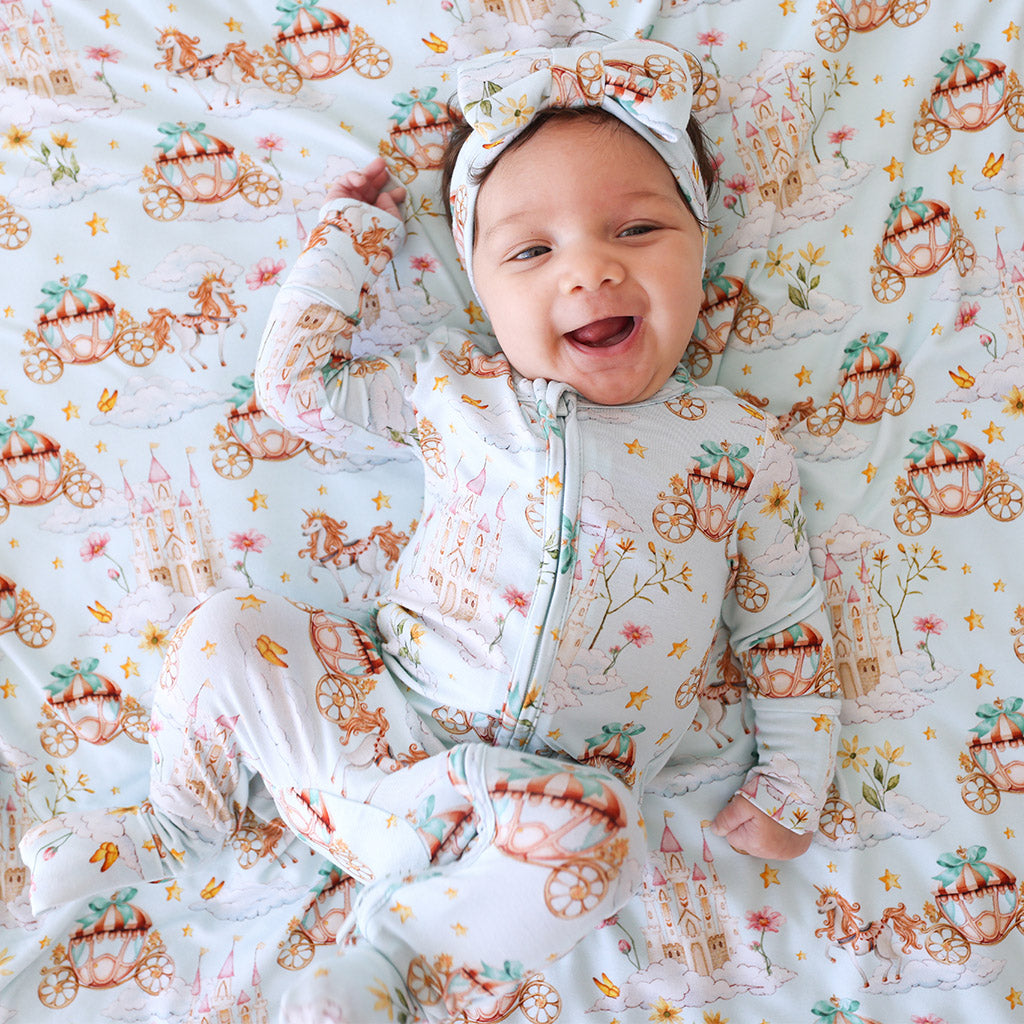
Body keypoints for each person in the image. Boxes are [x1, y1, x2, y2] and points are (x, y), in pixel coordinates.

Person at [21, 39, 840, 1024]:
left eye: (637, 228)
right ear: (481, 290)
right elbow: (297, 388)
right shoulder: (454, 386)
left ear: (701, 247)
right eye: (532, 251)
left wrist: (796, 779)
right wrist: (348, 240)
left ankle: (391, 957)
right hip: (379, 737)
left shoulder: (737, 448)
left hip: (536, 822)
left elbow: (781, 626)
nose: (589, 269)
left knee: (612, 839)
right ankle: (175, 822)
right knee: (228, 629)